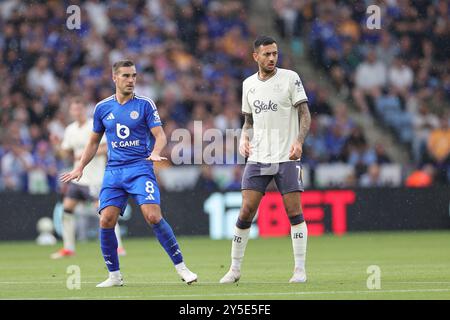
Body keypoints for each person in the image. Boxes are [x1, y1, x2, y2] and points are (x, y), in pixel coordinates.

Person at [60, 60, 197, 287]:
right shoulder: (103, 108)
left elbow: (160, 136)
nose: (131, 80)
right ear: (114, 78)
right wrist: (79, 167)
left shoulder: (145, 104)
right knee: (106, 219)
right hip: (114, 171)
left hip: (140, 167)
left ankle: (182, 268)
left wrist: (155, 151)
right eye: (126, 76)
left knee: (153, 216)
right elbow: (93, 142)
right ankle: (114, 276)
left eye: (133, 76)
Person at [219, 36, 311, 284]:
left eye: (275, 54)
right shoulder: (248, 84)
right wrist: (243, 138)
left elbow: (305, 114)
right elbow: (248, 121)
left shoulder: (290, 78)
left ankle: (299, 269)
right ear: (255, 57)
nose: (272, 58)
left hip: (286, 156)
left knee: (294, 211)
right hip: (258, 157)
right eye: (267, 54)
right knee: (246, 210)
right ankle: (235, 269)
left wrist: (299, 141)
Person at [50, 97, 126, 259]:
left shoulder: (94, 125)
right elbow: (65, 153)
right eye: (74, 109)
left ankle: (118, 247)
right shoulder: (70, 130)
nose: (76, 112)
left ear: (84, 110)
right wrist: (56, 145)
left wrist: (84, 155)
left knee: (105, 213)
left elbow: (107, 147)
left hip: (95, 178)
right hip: (78, 178)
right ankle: (68, 248)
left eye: (79, 109)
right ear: (70, 111)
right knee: (67, 210)